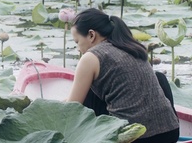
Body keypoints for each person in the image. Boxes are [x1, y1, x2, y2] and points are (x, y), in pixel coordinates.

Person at [66, 8, 179, 142]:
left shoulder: (91, 57)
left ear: (91, 35)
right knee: (159, 77)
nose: (78, 49)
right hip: (170, 133)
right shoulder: (132, 46)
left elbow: (72, 107)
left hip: (136, 138)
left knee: (88, 94)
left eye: (77, 42)